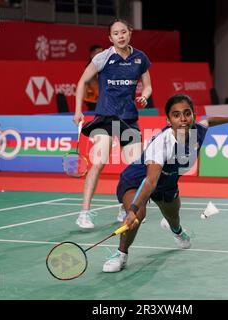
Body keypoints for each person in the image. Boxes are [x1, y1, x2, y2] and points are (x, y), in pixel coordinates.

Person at [102, 94, 228, 272]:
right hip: (138, 179)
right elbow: (150, 181)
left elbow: (210, 121)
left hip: (167, 183)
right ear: (168, 120)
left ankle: (177, 231)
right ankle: (121, 254)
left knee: (173, 218)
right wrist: (133, 210)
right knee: (136, 217)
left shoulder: (198, 130)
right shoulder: (162, 143)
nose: (183, 119)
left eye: (187, 113)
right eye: (176, 115)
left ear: (193, 116)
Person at [73, 18, 152, 229]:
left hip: (128, 118)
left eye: (123, 32)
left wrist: (144, 95)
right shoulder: (103, 58)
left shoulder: (140, 58)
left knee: (135, 167)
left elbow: (148, 86)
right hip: (105, 118)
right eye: (116, 33)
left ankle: (124, 206)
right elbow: (82, 81)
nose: (120, 36)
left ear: (130, 33)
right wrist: (78, 110)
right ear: (111, 38)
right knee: (98, 163)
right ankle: (84, 212)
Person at [84, 44, 103, 111]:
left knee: (113, 117)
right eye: (98, 53)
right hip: (93, 99)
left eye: (102, 53)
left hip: (99, 98)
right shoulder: (90, 67)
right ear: (92, 54)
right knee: (95, 116)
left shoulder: (101, 65)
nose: (101, 55)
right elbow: (92, 83)